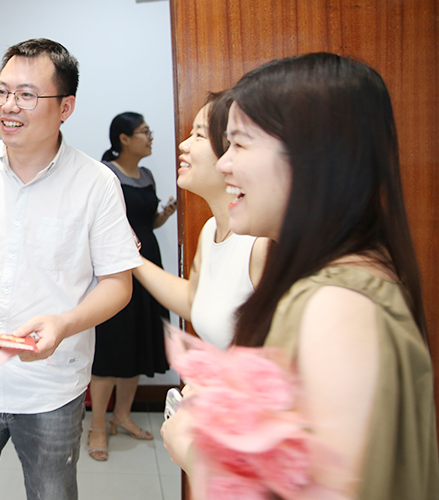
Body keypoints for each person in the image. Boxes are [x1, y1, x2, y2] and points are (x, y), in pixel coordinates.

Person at [161, 53, 439, 499]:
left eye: (240, 145)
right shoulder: (357, 270)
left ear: (311, 158)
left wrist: (194, 451)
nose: (225, 164)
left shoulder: (336, 305)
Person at [0, 39, 139, 499]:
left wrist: (64, 323)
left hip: (50, 387)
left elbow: (118, 284)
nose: (8, 106)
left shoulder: (96, 184)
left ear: (65, 107)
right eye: (1, 91)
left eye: (26, 95)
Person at [131, 91, 269, 350]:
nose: (184, 145)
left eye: (199, 135)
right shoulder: (211, 229)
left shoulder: (262, 244)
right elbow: (194, 301)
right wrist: (130, 257)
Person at [86, 112, 177, 461]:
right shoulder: (104, 174)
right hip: (117, 269)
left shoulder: (147, 175)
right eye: (144, 132)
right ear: (124, 139)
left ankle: (121, 416)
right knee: (111, 347)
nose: (150, 137)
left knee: (138, 343)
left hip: (149, 265)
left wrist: (163, 215)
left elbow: (145, 222)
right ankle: (97, 424)